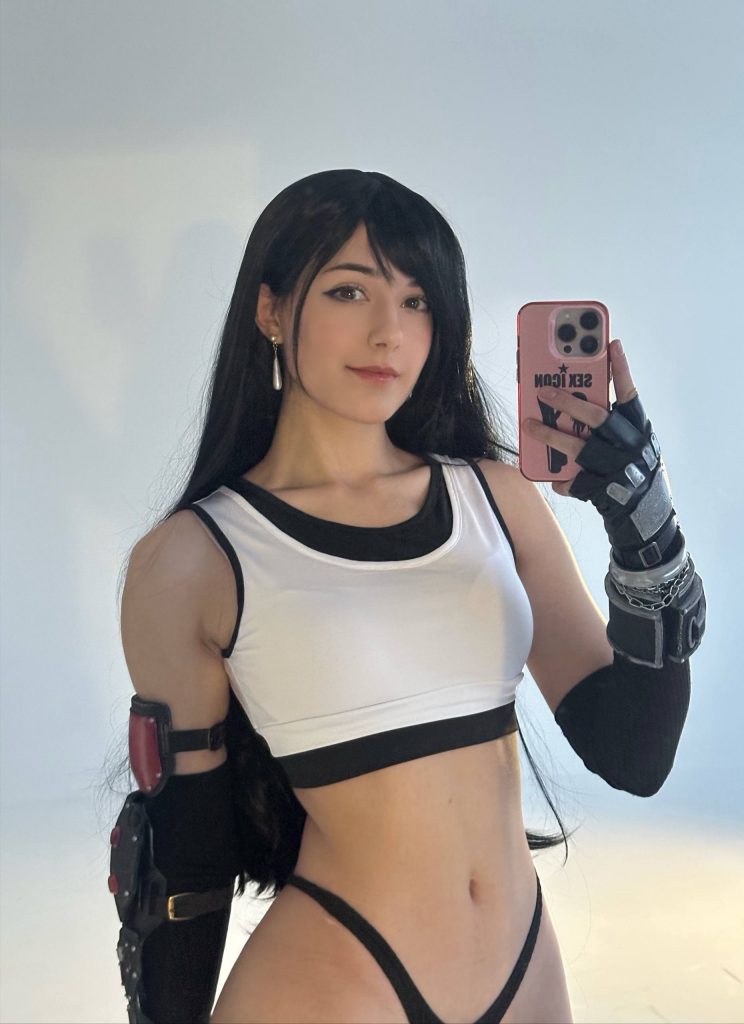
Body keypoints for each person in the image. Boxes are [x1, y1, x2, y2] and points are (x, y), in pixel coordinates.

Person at [106, 169, 706, 1024]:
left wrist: (647, 536)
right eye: (350, 290)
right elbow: (183, 859)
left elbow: (634, 754)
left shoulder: (496, 500)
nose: (389, 331)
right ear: (271, 309)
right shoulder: (192, 560)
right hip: (334, 981)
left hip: (526, 972)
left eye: (417, 300)